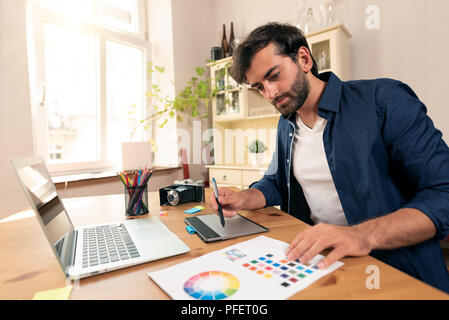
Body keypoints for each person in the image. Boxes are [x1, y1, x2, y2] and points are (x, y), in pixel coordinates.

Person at [209, 22, 449, 293]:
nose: (271, 93)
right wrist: (243, 198)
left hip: (395, 268)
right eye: (259, 87)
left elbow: (443, 192)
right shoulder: (287, 124)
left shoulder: (384, 100)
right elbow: (275, 182)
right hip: (321, 264)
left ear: (303, 58)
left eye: (274, 76)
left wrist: (360, 235)